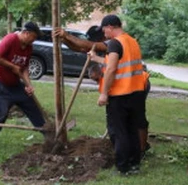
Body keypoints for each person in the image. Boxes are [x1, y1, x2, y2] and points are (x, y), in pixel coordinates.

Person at [55, 25, 151, 155]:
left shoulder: (111, 43)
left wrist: (67, 35)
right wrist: (64, 40)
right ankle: (127, 148)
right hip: (121, 86)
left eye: (94, 41)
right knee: (122, 121)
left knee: (136, 119)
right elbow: (79, 47)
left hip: (138, 83)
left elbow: (89, 46)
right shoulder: (102, 47)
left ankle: (141, 148)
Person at [96, 14, 148, 175]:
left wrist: (104, 93)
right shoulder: (132, 41)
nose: (104, 34)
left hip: (120, 95)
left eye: (104, 30)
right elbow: (122, 64)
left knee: (119, 132)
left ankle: (122, 166)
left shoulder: (114, 43)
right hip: (137, 92)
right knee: (132, 129)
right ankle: (134, 164)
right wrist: (97, 58)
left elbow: (111, 69)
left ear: (110, 27)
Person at [0, 21, 45, 145]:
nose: (34, 40)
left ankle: (48, 132)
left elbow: (24, 68)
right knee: (1, 113)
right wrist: (12, 66)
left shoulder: (29, 47)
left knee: (30, 104)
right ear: (26, 33)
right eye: (34, 37)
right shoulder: (10, 39)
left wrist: (28, 85)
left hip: (14, 83)